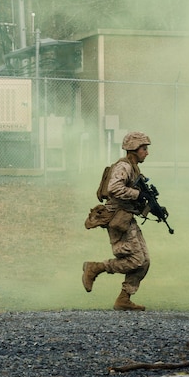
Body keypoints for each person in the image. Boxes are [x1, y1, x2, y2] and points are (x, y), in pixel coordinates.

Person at [81, 131, 153, 311]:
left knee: (144, 261)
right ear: (134, 149)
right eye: (144, 148)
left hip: (127, 217)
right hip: (118, 218)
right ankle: (95, 268)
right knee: (136, 259)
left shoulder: (134, 167)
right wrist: (138, 194)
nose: (147, 152)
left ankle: (124, 299)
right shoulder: (124, 167)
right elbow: (114, 188)